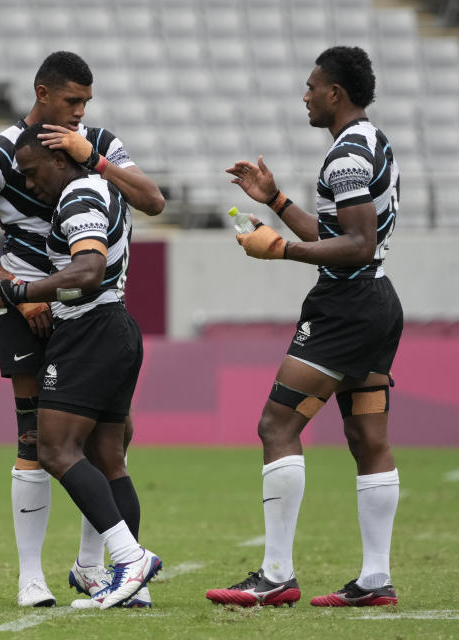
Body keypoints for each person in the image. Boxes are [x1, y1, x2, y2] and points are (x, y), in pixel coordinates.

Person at [0, 51, 164, 607]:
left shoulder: (98, 145)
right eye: (71, 101)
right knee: (34, 439)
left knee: (112, 438)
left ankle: (96, 566)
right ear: (42, 94)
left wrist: (97, 158)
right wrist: (9, 285)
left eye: (86, 102)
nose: (80, 111)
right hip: (29, 308)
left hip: (87, 303)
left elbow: (154, 202)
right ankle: (31, 577)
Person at [206, 46, 402, 608]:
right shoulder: (372, 142)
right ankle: (374, 579)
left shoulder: (345, 155)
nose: (306, 95)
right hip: (377, 303)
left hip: (346, 308)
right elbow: (337, 231)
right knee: (368, 438)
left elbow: (355, 246)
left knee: (276, 425)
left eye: (312, 86)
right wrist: (276, 200)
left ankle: (275, 575)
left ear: (335, 93)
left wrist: (282, 249)